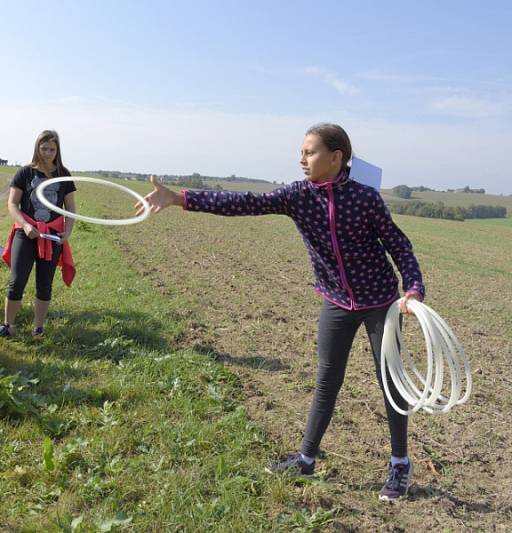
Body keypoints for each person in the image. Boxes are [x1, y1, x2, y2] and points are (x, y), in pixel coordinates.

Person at [140, 123, 425, 501]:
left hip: (380, 304)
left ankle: (400, 465)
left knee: (391, 382)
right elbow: (242, 204)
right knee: (326, 380)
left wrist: (414, 289)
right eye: (302, 152)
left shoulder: (365, 199)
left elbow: (399, 245)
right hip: (336, 301)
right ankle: (306, 459)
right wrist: (180, 198)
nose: (301, 159)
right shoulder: (297, 196)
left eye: (309, 152)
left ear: (336, 157)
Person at [0, 130, 76, 338]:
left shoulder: (64, 175)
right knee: (17, 280)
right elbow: (12, 204)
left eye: (52, 149)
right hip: (26, 232)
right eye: (44, 148)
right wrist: (25, 225)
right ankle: (7, 326)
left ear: (57, 151)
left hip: (52, 235)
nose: (47, 153)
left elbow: (71, 209)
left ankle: (38, 328)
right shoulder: (25, 173)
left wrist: (67, 231)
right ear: (37, 148)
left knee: (45, 283)